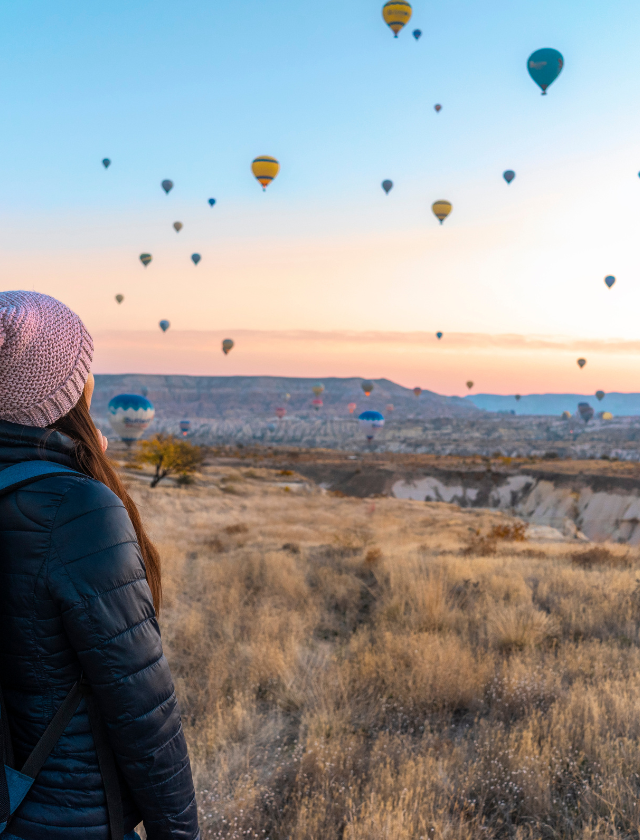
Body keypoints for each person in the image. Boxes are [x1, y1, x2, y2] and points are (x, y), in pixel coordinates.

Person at [0, 291, 199, 840]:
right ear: (64, 393)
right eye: (85, 370)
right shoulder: (76, 508)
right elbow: (141, 704)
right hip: (64, 816)